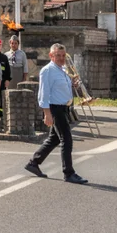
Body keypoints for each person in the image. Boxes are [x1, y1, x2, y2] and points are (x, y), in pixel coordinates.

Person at [25, 43, 88, 184]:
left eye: (63, 55)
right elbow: (43, 93)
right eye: (57, 55)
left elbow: (60, 87)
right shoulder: (47, 71)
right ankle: (68, 173)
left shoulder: (63, 69)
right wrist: (46, 113)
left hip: (64, 108)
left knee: (54, 138)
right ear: (51, 56)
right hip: (55, 108)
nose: (61, 58)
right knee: (67, 140)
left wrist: (73, 85)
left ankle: (34, 163)